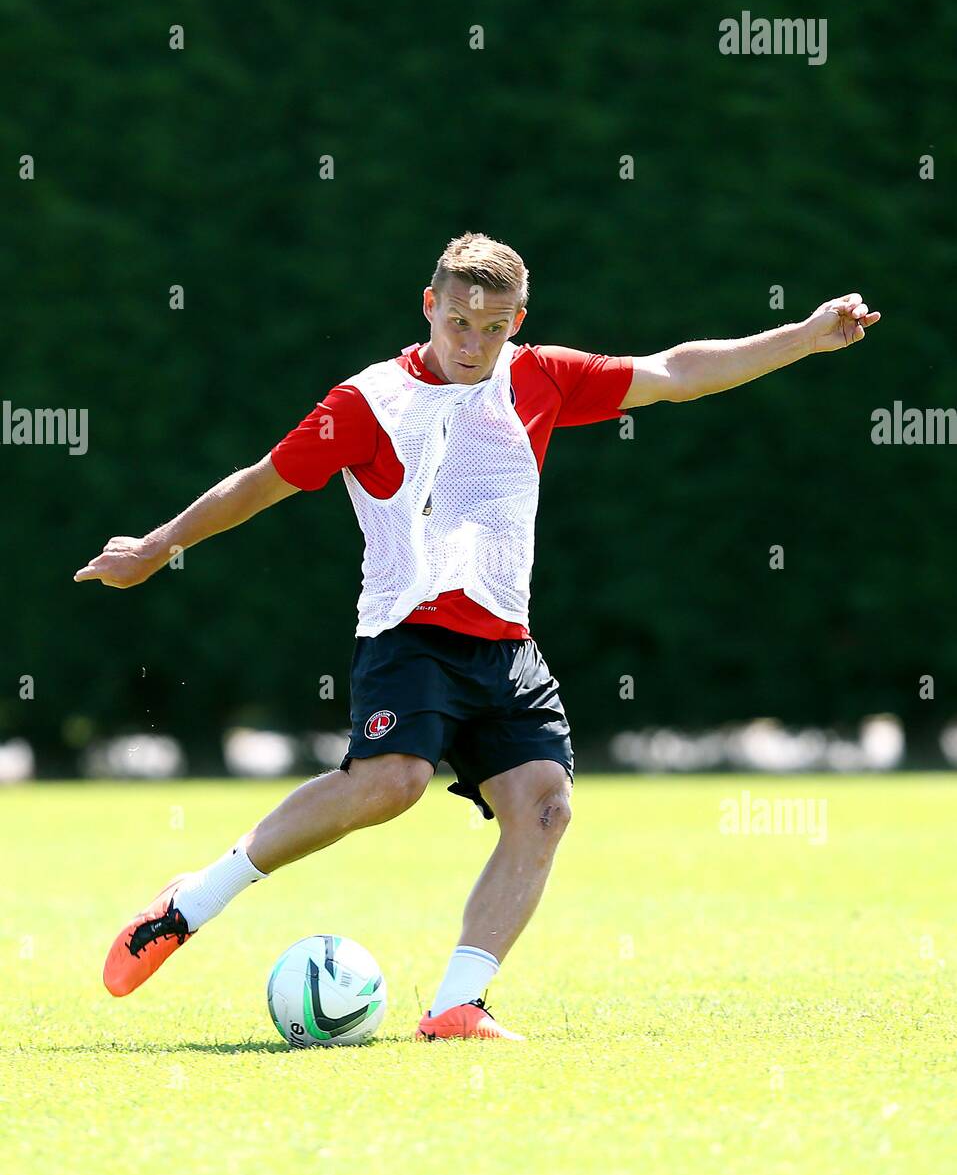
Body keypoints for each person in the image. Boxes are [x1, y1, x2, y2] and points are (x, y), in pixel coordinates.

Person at [74, 232, 880, 1040]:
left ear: (517, 320)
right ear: (430, 305)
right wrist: (156, 546)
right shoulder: (367, 402)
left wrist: (805, 336)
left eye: (493, 328)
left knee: (543, 807)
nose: (473, 343)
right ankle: (190, 902)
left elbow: (676, 373)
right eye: (459, 322)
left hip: (505, 643)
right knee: (391, 783)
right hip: (408, 633)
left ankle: (457, 1003)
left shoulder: (540, 376)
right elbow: (259, 482)